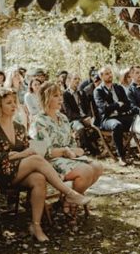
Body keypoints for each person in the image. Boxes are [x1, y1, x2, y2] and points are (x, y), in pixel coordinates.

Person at [0, 88, 91, 242]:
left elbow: (26, 148)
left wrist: (21, 154)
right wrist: (20, 155)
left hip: (19, 169)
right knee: (37, 160)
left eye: (15, 102)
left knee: (39, 178)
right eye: (8, 103)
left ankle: (36, 225)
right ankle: (69, 193)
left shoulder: (19, 126)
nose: (14, 106)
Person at [31, 82, 102, 220]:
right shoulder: (39, 121)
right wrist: (64, 151)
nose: (60, 99)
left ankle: (67, 201)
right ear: (46, 98)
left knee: (98, 167)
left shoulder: (63, 118)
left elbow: (72, 143)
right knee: (86, 171)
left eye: (60, 95)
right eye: (56, 96)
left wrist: (74, 150)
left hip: (69, 157)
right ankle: (71, 202)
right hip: (49, 162)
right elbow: (43, 152)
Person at [93, 65, 136, 166]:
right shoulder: (98, 91)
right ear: (102, 76)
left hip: (121, 116)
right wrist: (117, 104)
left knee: (139, 121)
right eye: (107, 74)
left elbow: (127, 104)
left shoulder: (118, 88)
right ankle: (121, 157)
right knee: (117, 125)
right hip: (107, 119)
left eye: (110, 73)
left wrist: (115, 106)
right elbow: (103, 108)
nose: (110, 75)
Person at [62, 73, 100, 155]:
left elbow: (88, 108)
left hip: (85, 117)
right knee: (80, 128)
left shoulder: (82, 92)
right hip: (74, 120)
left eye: (79, 79)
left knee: (98, 125)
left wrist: (89, 116)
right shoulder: (65, 95)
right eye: (75, 79)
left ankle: (91, 144)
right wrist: (82, 119)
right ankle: (85, 148)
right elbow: (69, 113)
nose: (77, 81)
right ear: (69, 81)